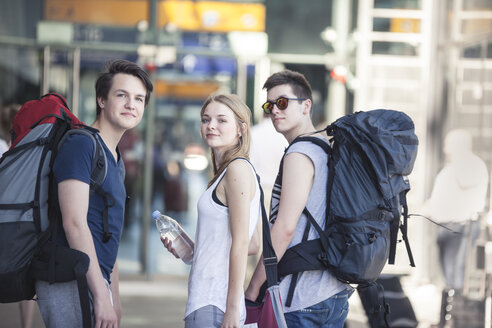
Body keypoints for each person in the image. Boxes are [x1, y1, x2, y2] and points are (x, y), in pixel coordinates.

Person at [34, 59, 153, 328]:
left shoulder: (114, 157)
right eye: (121, 95)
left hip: (95, 280)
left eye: (139, 99)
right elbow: (74, 223)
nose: (131, 105)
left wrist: (115, 298)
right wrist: (101, 296)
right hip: (69, 277)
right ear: (101, 99)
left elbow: (107, 235)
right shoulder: (81, 144)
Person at [245, 70, 352, 327]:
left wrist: (253, 288)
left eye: (282, 102)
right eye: (269, 105)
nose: (274, 110)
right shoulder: (327, 147)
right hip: (332, 291)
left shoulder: (300, 153)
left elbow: (284, 229)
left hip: (303, 299)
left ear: (306, 106)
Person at [162, 94, 261, 328]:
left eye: (222, 120)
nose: (211, 125)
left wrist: (233, 309)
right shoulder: (228, 172)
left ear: (241, 129)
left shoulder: (237, 169)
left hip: (214, 302)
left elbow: (241, 242)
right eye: (206, 119)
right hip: (208, 300)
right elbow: (254, 242)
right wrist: (193, 251)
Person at [426, 129, 489, 290]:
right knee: (448, 275)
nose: (445, 149)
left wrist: (459, 158)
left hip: (461, 226)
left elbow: (464, 181)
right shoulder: (451, 166)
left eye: (449, 144)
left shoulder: (471, 163)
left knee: (455, 274)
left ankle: (457, 311)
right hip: (446, 225)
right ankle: (450, 308)